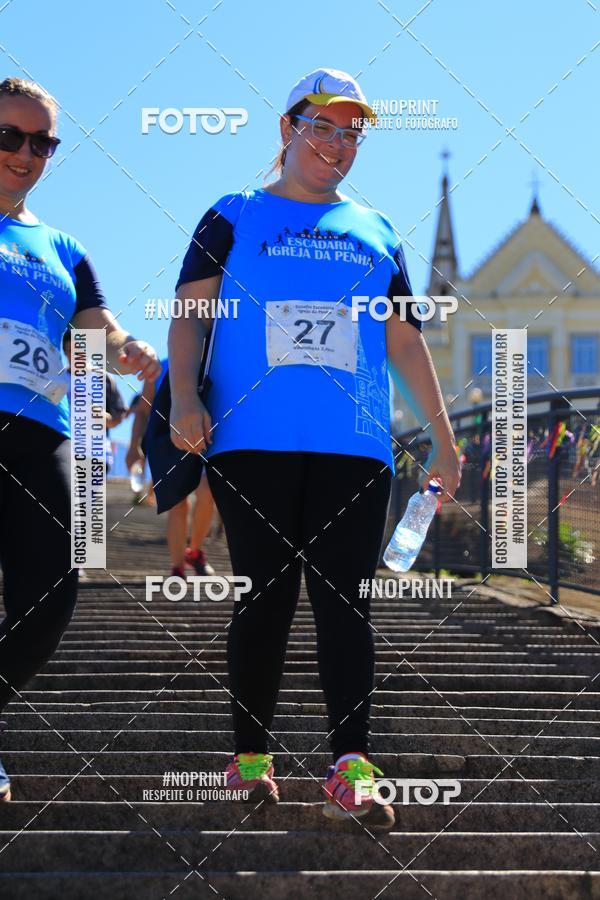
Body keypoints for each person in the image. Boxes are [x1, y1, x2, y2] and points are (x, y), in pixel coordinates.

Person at [168, 67, 461, 830]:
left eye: (350, 131)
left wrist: (443, 435)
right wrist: (188, 395)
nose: (337, 142)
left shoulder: (377, 231)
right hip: (251, 441)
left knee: (346, 603)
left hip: (355, 445)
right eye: (322, 125)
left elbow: (404, 338)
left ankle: (350, 768)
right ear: (288, 127)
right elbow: (190, 318)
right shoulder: (230, 214)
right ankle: (250, 762)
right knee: (265, 594)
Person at [0, 77, 161, 801]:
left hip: (38, 430)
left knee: (55, 587)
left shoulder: (62, 246)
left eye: (43, 142)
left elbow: (96, 326)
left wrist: (130, 351)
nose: (26, 153)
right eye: (11, 136)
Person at [126, 362, 215, 576]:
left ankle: (193, 551)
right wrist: (133, 447)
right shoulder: (158, 367)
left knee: (207, 492)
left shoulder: (214, 358)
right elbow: (144, 410)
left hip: (207, 437)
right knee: (177, 502)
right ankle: (177, 567)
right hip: (169, 442)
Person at [63, 329, 128, 473]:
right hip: (64, 449)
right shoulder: (58, 379)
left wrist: (99, 415)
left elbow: (118, 416)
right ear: (65, 353)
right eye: (70, 350)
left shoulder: (104, 379)